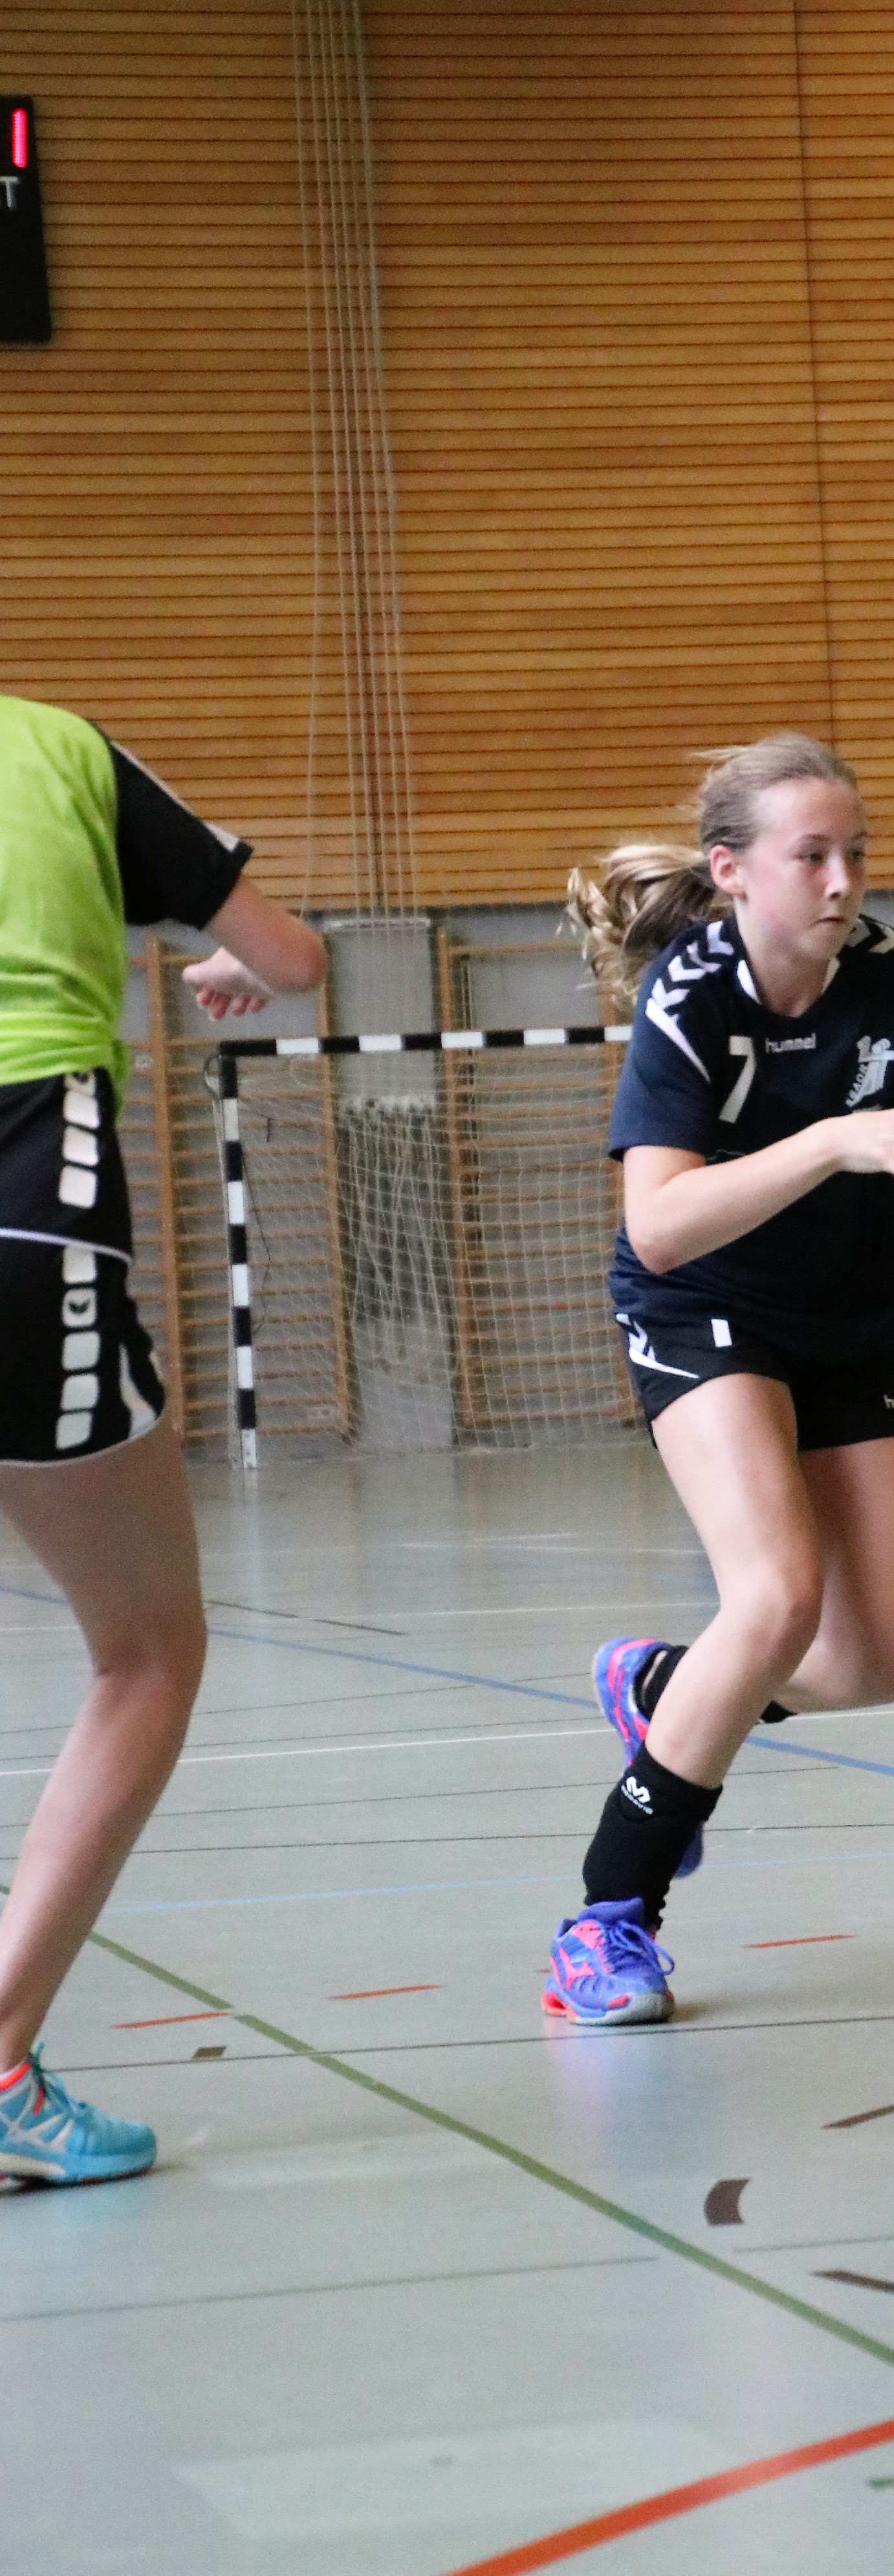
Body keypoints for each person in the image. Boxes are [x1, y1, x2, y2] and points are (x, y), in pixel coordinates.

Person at [547, 733, 894, 2026]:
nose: (843, 880)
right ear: (732, 870)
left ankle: (664, 1689)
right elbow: (658, 1225)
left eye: (856, 853)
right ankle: (606, 1918)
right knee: (778, 1592)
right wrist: (834, 1140)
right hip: (704, 1306)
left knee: (888, 1654)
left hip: (849, 1313)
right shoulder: (692, 998)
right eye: (812, 856)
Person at [0, 693, 326, 2185]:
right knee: (146, 1653)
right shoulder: (59, 752)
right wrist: (230, 963)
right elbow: (291, 959)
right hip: (26, 1202)